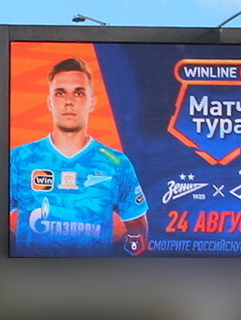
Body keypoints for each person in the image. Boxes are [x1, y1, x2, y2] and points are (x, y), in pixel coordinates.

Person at [9, 57, 149, 255]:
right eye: (60, 93)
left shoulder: (116, 163)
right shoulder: (19, 158)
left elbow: (137, 226)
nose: (68, 101)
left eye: (79, 93)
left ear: (92, 102)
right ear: (49, 102)